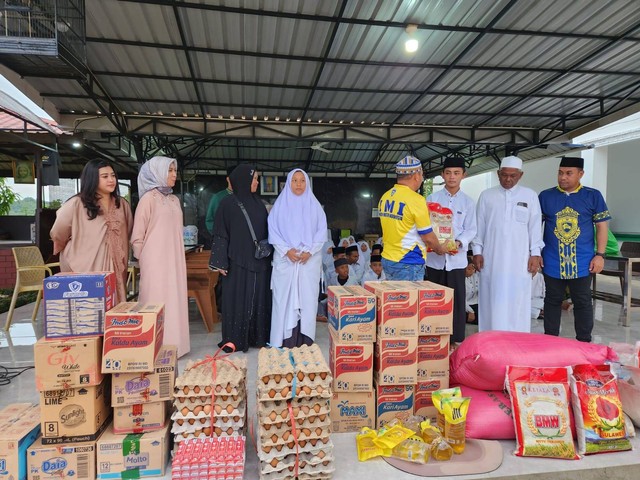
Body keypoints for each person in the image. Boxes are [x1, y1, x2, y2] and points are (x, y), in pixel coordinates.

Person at [539, 156, 610, 342]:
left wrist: (600, 255)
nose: (563, 177)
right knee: (552, 300)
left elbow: (602, 226)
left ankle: (584, 342)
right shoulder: (545, 196)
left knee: (583, 301)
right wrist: (535, 253)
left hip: (583, 261)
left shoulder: (593, 195)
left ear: (581, 174)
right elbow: (534, 227)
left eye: (569, 173)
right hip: (552, 260)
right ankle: (550, 341)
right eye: (560, 173)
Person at [471, 156, 544, 333]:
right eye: (504, 175)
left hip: (520, 260)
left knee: (517, 299)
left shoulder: (530, 195)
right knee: (491, 299)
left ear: (520, 175)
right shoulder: (487, 196)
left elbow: (535, 227)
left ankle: (516, 340)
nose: (508, 179)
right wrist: (477, 251)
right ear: (498, 174)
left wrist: (535, 253)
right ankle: (490, 338)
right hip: (491, 259)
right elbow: (478, 226)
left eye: (513, 176)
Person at [51, 159, 133, 305]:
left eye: (113, 175)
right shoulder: (77, 204)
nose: (111, 180)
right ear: (92, 179)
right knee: (89, 310)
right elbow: (58, 232)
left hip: (116, 267)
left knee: (114, 305)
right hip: (86, 267)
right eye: (105, 176)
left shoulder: (122, 204)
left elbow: (128, 231)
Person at [209, 164, 272, 352]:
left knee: (259, 298)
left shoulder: (259, 204)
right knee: (236, 298)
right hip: (236, 261)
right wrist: (220, 261)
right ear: (244, 179)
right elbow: (220, 233)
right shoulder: (227, 204)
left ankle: (257, 336)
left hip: (260, 261)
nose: (257, 182)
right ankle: (234, 339)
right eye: (255, 179)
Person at [131, 156, 190, 357]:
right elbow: (137, 236)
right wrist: (145, 260)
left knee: (174, 299)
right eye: (169, 171)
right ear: (157, 173)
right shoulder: (148, 199)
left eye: (175, 170)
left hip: (174, 258)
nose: (174, 175)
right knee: (156, 300)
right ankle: (154, 346)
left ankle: (176, 345)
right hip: (154, 261)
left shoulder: (174, 200)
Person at [268, 168, 327, 348]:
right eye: (295, 180)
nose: (299, 184)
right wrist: (287, 250)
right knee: (283, 301)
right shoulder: (280, 206)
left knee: (307, 300)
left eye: (302, 180)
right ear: (288, 183)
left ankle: (305, 340)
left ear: (307, 183)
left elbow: (321, 231)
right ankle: (283, 340)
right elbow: (273, 231)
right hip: (287, 262)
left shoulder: (314, 206)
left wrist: (310, 251)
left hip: (308, 262)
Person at [426, 156, 477, 344]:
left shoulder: (468, 202)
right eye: (448, 173)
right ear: (442, 175)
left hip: (457, 261)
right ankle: (432, 336)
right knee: (434, 300)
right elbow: (425, 226)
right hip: (435, 259)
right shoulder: (432, 199)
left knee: (456, 301)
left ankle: (456, 340)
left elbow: (472, 229)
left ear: (463, 175)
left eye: (456, 173)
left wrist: (459, 242)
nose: (452, 177)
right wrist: (434, 244)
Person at [378, 155, 449, 281]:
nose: (422, 178)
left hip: (388, 259)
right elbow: (428, 237)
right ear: (416, 175)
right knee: (408, 300)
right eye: (422, 174)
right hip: (408, 262)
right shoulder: (416, 200)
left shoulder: (385, 196)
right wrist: (440, 249)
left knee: (395, 299)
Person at [205, 166, 235, 234]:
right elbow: (209, 220)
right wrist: (219, 234)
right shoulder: (218, 197)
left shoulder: (243, 196)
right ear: (228, 179)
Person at [464, 260, 479, 325]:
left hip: (474, 303)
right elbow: (461, 299)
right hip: (464, 305)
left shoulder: (475, 276)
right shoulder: (460, 279)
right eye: (469, 269)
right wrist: (470, 311)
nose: (471, 271)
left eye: (473, 269)